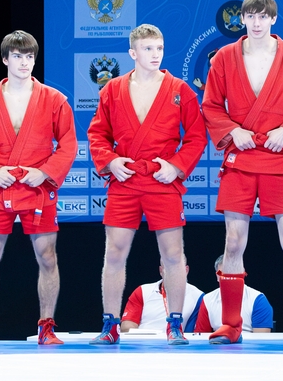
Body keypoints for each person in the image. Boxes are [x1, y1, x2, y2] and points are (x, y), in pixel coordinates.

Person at [201, 0, 283, 345]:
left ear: (273, 19)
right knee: (233, 242)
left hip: (277, 155)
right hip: (240, 157)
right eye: (250, 17)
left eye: (262, 17)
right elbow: (211, 106)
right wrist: (232, 131)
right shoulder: (224, 57)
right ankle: (231, 324)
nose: (256, 23)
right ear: (242, 19)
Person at [87, 24, 208, 345]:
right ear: (133, 53)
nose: (155, 55)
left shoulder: (180, 89)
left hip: (161, 179)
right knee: (114, 252)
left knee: (173, 254)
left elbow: (197, 137)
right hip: (125, 179)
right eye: (148, 49)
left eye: (159, 49)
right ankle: (110, 325)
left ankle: (175, 324)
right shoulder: (112, 90)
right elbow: (97, 134)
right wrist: (110, 161)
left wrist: (176, 166)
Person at [0, 30, 77, 345]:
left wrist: (46, 173)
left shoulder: (54, 100)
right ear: (5, 59)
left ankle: (47, 327)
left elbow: (68, 144)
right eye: (17, 56)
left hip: (37, 187)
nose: (24, 62)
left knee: (48, 256)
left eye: (29, 56)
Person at [194, 255, 274, 333]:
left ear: (243, 273)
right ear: (217, 276)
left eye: (234, 273)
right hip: (218, 341)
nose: (230, 278)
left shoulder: (258, 300)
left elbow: (261, 339)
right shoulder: (207, 300)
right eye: (224, 274)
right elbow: (201, 336)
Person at [121, 259, 205, 333]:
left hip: (174, 343)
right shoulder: (142, 291)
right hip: (143, 342)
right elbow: (126, 327)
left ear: (186, 270)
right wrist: (151, 337)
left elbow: (195, 333)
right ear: (161, 271)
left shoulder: (198, 297)